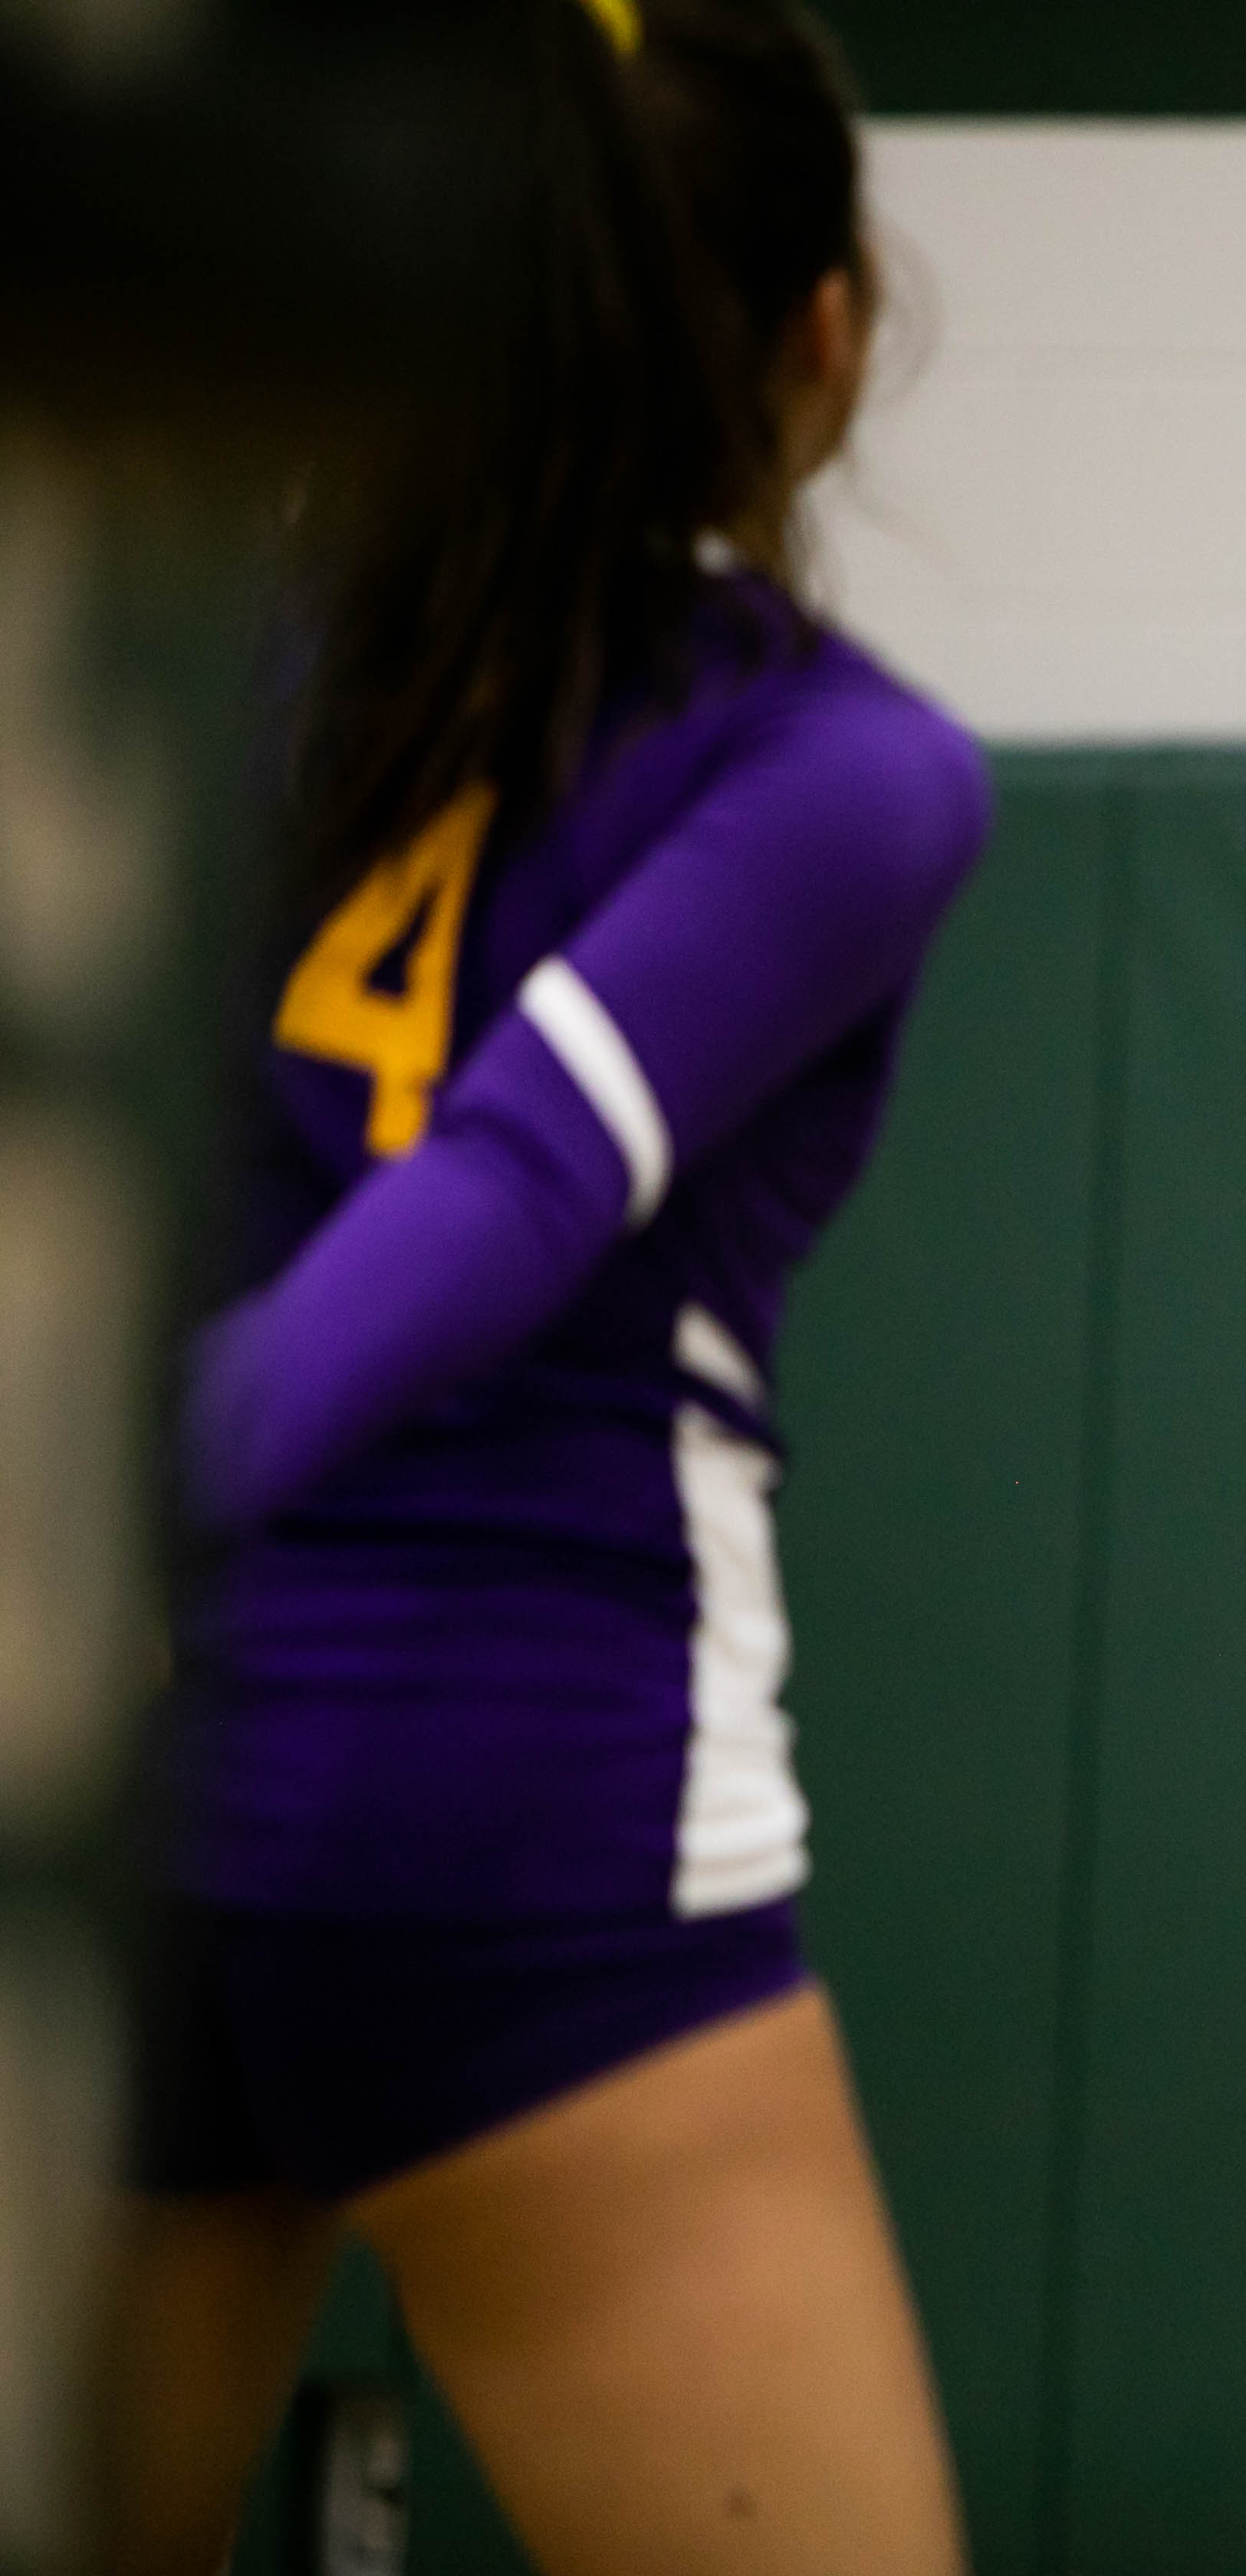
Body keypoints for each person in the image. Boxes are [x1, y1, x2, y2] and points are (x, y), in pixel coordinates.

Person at [102, 3, 985, 2570]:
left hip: (148, 1815)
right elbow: (494, 1201)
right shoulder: (838, 761)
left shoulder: (218, 659)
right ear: (823, 335)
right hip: (520, 1813)